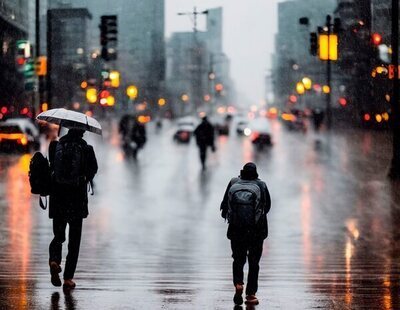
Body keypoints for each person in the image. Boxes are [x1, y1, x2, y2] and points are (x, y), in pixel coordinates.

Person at [48, 128, 98, 289]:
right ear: (82, 133)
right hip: (77, 200)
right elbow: (93, 170)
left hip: (58, 198)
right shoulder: (87, 149)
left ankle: (54, 260)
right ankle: (68, 278)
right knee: (74, 241)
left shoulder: (55, 146)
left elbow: (51, 167)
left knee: (58, 236)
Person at [220, 162, 271, 306]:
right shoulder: (261, 185)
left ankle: (238, 284)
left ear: (241, 172)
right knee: (254, 263)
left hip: (236, 230)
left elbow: (224, 206)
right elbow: (266, 207)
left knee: (238, 259)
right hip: (256, 231)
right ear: (256, 173)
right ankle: (250, 294)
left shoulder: (233, 182)